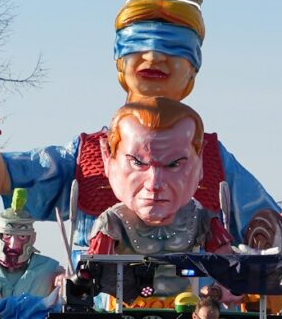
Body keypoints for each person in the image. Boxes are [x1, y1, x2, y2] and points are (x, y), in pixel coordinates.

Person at [0, 0, 282, 258]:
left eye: (172, 48)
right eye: (139, 44)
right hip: (99, 318)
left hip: (197, 317)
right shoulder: (88, 156)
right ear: (119, 61)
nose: (153, 56)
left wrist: (275, 236)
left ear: (193, 69)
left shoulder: (212, 160)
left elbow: (270, 227)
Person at [85, 97, 234, 257]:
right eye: (138, 163)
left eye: (174, 165)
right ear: (108, 159)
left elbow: (230, 267)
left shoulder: (200, 219)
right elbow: (94, 269)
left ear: (200, 161)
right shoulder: (113, 222)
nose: (154, 184)